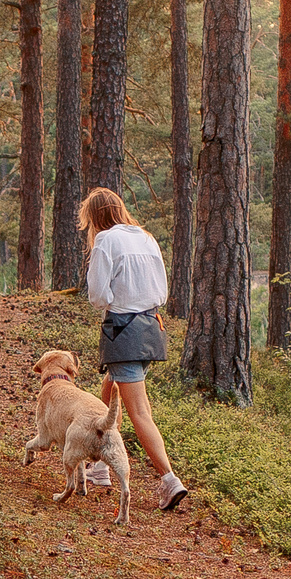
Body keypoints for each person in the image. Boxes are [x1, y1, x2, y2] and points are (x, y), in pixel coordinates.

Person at [80, 187, 192, 511]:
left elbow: (97, 295)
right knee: (110, 385)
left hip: (122, 331)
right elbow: (163, 291)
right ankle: (100, 464)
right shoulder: (146, 237)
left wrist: (116, 302)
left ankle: (169, 479)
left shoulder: (105, 240)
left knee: (139, 412)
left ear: (96, 217)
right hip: (150, 329)